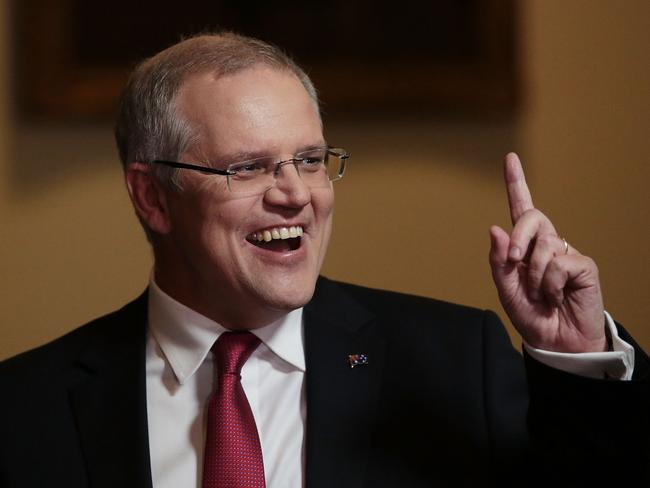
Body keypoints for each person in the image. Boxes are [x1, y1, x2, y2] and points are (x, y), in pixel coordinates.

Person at [0, 32, 648, 488]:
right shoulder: (25, 408)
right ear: (152, 196)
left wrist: (578, 357)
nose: (295, 196)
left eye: (310, 160)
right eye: (248, 167)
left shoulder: (454, 362)